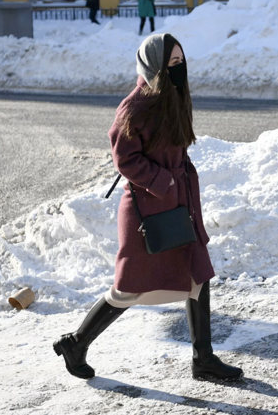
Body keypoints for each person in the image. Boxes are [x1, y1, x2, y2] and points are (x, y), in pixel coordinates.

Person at [53, 33, 244, 382]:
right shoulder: (135, 106)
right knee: (127, 290)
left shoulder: (172, 97)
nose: (179, 69)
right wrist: (164, 182)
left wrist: (179, 183)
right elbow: (124, 158)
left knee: (198, 275)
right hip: (147, 210)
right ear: (153, 65)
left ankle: (204, 359)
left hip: (178, 203)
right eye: (171, 64)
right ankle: (76, 344)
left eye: (181, 62)